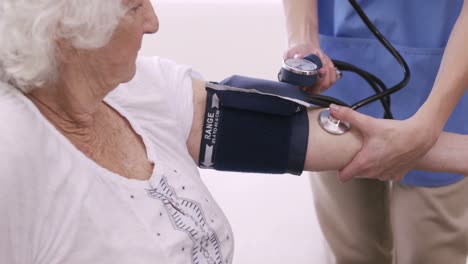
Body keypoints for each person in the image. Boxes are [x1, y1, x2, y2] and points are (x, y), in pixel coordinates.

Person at [0, 1, 467, 264]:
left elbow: (311, 136)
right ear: (68, 32)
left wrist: (440, 141)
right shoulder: (16, 156)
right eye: (134, 5)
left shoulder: (145, 92)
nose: (154, 22)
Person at [283, 0, 468, 263]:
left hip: (443, 83)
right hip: (337, 79)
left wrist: (427, 128)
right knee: (352, 252)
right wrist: (303, 40)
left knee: (431, 250)